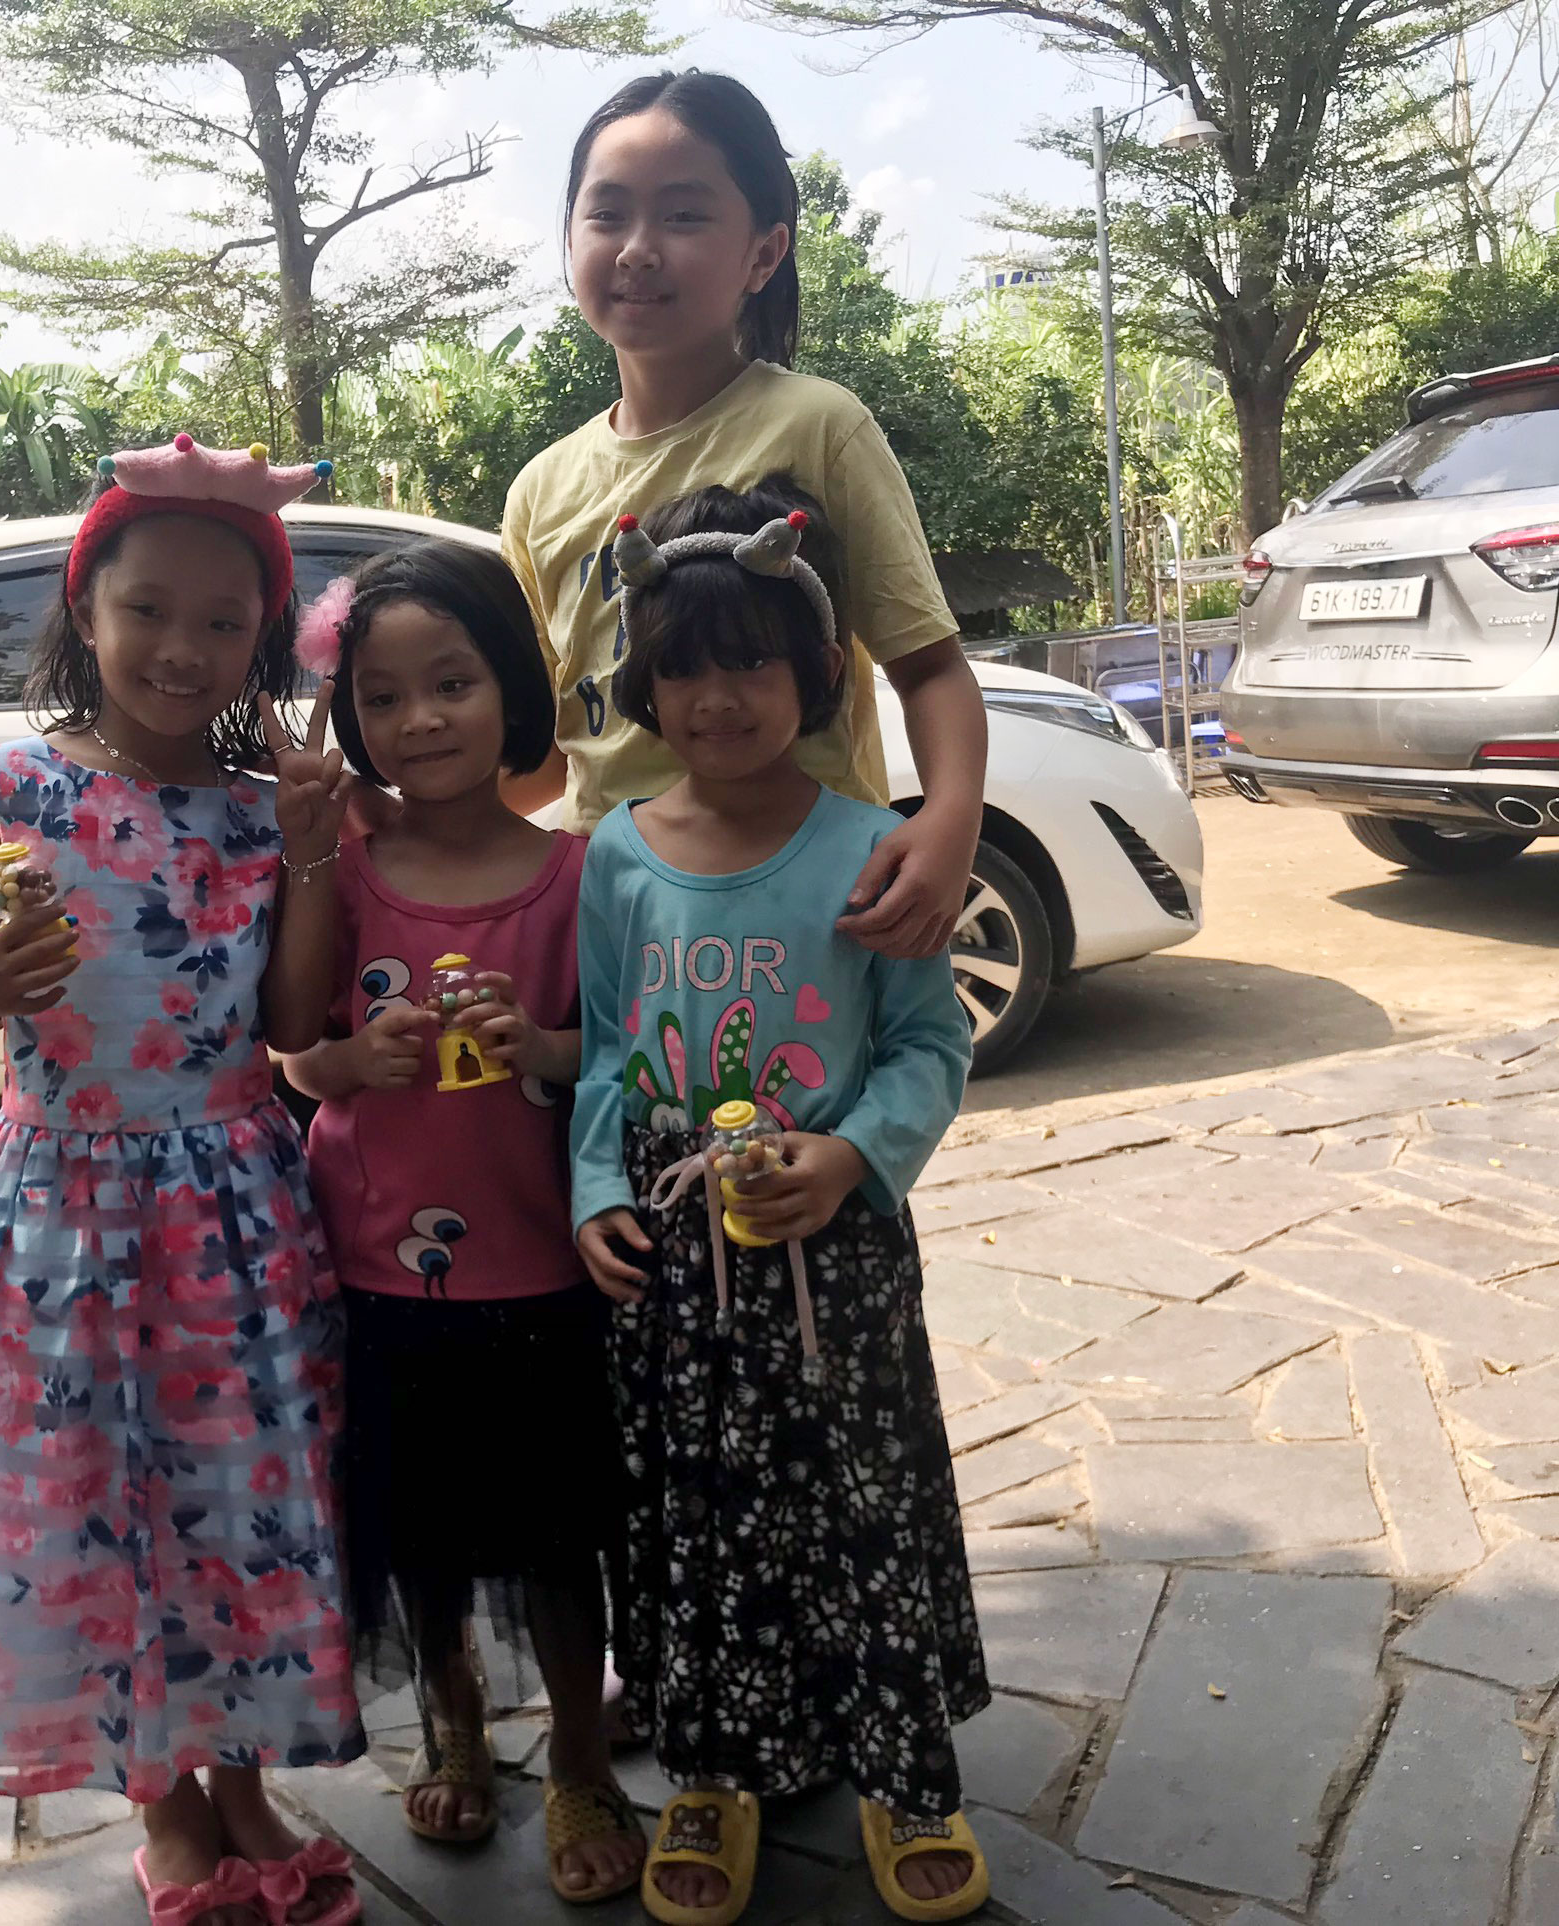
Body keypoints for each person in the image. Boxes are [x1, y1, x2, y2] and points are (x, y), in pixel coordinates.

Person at [0, 435, 368, 1926]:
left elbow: (291, 1024)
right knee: (95, 1502)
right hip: (60, 1214)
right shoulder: (9, 787)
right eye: (149, 609)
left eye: (224, 621)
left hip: (233, 1212)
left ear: (262, 638)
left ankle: (246, 1776)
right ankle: (167, 1801)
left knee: (231, 1504)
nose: (182, 647)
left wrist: (313, 852)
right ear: (86, 609)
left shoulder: (266, 801)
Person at [571, 481, 989, 1925]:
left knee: (858, 1497)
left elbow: (931, 1042)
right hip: (674, 1252)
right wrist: (593, 1191)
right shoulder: (618, 853)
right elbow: (609, 1050)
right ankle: (712, 1769)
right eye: (685, 666)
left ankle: (901, 1770)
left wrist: (855, 1156)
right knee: (694, 1514)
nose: (719, 695)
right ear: (646, 684)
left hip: (836, 1245)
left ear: (815, 671)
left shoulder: (876, 842)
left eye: (751, 660)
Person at [279, 543, 647, 1906]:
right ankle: (453, 1722)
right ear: (348, 715)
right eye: (381, 697)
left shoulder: (581, 874)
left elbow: (626, 1056)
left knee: (561, 1534)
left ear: (514, 691)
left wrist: (539, 1047)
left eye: (453, 683)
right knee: (418, 1530)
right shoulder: (343, 871)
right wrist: (349, 1060)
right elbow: (290, 1048)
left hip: (545, 1265)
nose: (420, 719)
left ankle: (582, 1755)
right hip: (381, 1271)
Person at [501, 70, 988, 966]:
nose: (637, 249)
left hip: (811, 914)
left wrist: (951, 828)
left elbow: (930, 669)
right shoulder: (541, 489)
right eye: (606, 214)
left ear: (763, 256)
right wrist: (403, 818)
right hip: (619, 931)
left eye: (683, 216)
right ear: (569, 237)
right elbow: (560, 747)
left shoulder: (819, 428)